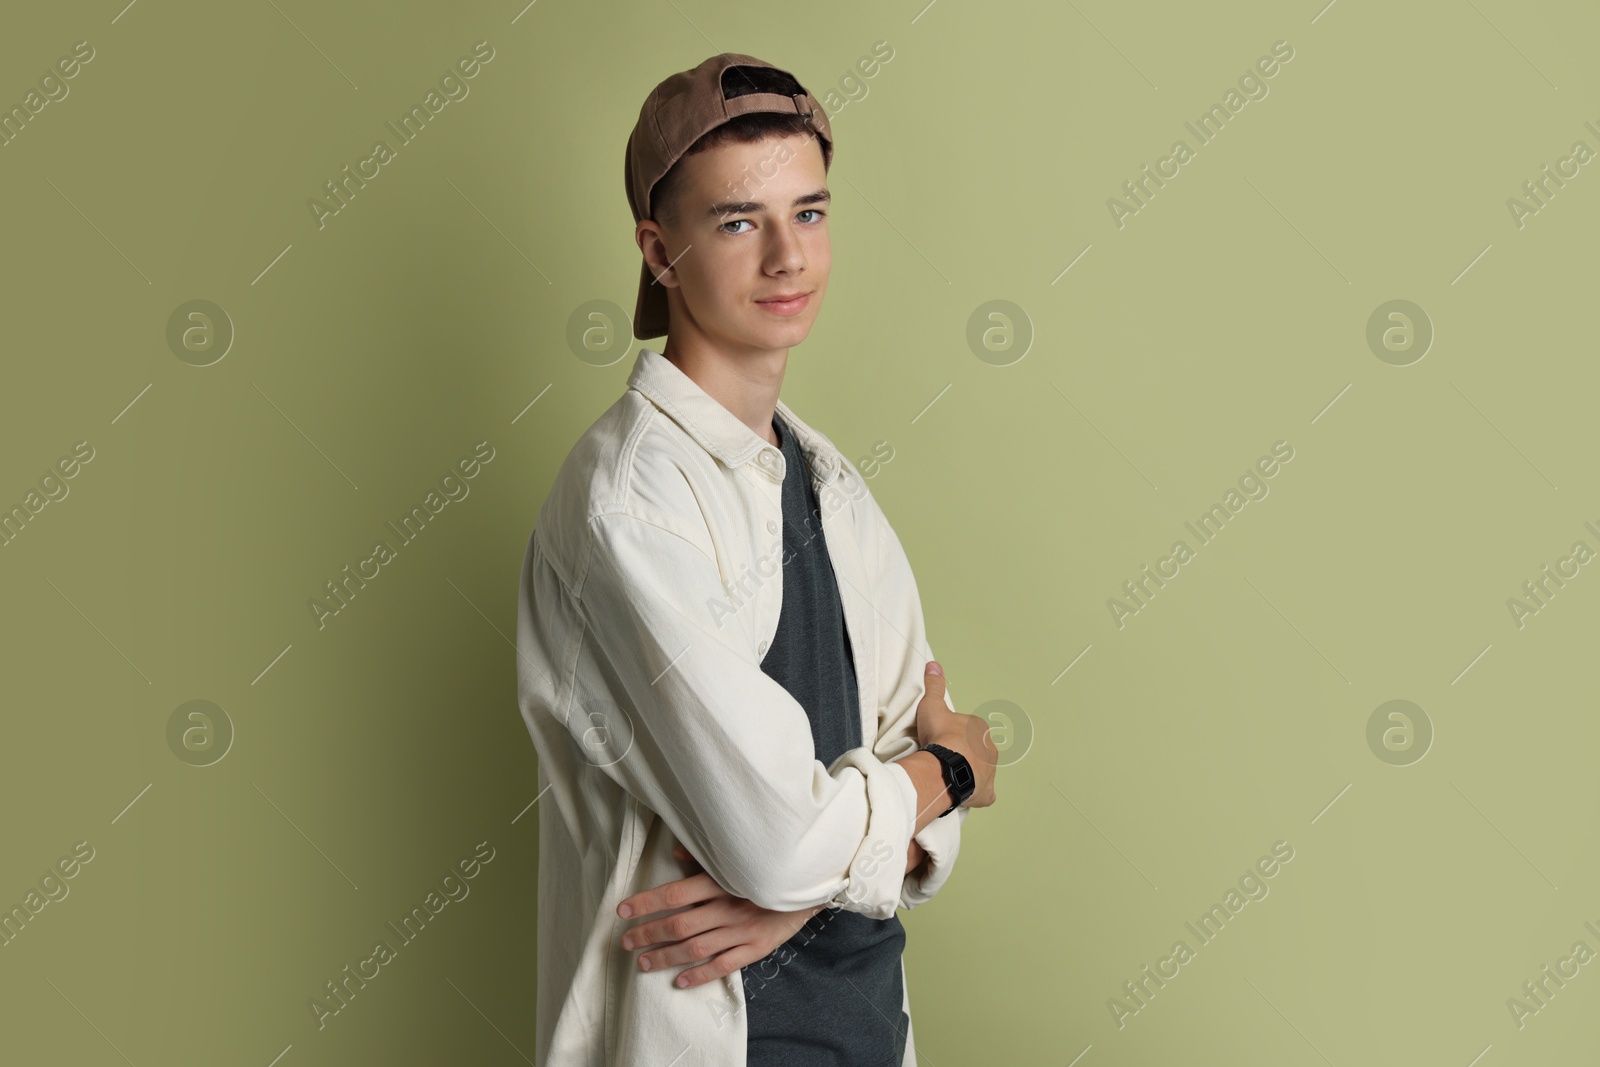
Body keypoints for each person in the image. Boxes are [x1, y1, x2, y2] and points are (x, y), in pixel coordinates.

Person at [514, 52, 999, 1066]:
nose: (787, 256)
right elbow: (803, 832)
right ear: (659, 251)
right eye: (738, 221)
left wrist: (841, 854)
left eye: (810, 213)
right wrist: (946, 772)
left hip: (869, 1035)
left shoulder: (830, 483)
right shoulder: (631, 503)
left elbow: (906, 799)